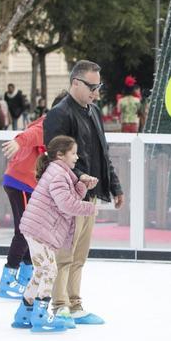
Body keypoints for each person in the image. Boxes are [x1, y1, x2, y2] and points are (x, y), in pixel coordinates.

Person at [44, 60, 123, 326]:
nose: (97, 92)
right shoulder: (60, 114)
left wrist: (114, 186)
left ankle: (75, 304)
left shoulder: (93, 112)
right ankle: (59, 305)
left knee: (80, 254)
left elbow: (102, 153)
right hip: (68, 196)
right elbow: (55, 158)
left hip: (88, 194)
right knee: (64, 254)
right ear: (76, 83)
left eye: (98, 86)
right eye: (92, 86)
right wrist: (79, 178)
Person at [10, 135, 99, 333]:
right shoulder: (59, 174)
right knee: (50, 270)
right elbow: (66, 204)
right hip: (40, 230)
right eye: (73, 153)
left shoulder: (60, 173)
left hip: (37, 229)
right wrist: (89, 208)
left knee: (41, 271)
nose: (77, 158)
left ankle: (25, 312)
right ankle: (41, 316)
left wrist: (83, 185)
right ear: (60, 155)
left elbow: (68, 196)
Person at [0, 113, 46, 299]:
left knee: (29, 231)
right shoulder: (49, 122)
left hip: (24, 182)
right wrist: (18, 141)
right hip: (21, 182)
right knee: (25, 231)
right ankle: (8, 279)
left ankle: (26, 276)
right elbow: (32, 134)